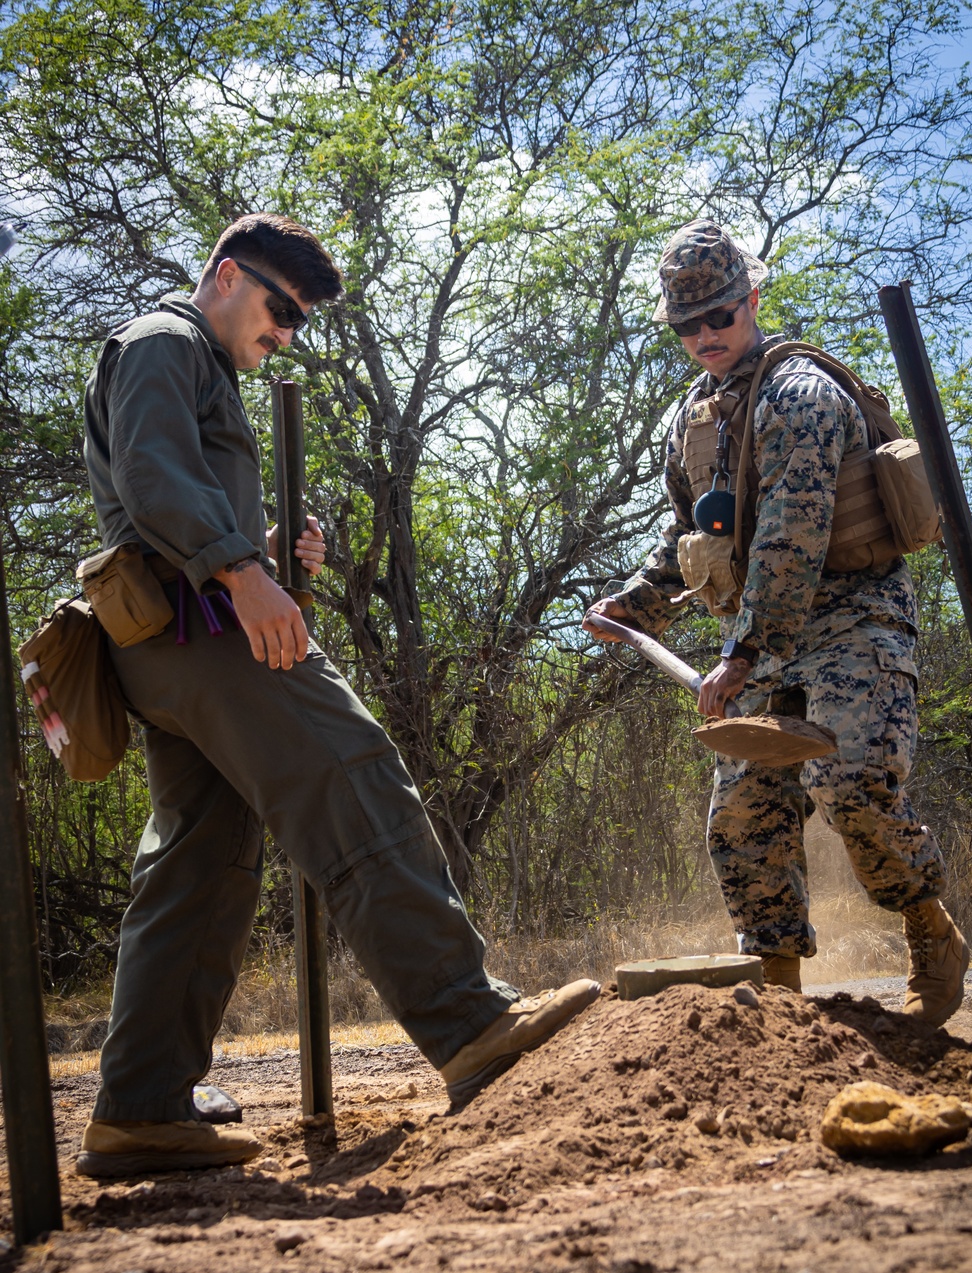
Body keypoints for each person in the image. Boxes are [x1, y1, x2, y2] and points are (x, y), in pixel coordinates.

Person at [76, 213, 598, 1178]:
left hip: (170, 641)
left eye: (299, 323)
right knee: (351, 776)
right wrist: (243, 571)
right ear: (226, 276)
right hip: (206, 633)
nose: (284, 333)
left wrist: (264, 553)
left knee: (202, 863)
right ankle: (470, 1021)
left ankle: (142, 1105)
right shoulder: (163, 340)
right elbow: (150, 481)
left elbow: (169, 497)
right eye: (279, 309)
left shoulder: (200, 363)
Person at [584, 219, 967, 1024]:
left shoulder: (801, 395)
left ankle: (932, 933)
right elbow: (693, 538)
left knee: (852, 784)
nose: (704, 335)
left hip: (852, 619)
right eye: (686, 325)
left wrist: (746, 654)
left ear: (751, 299)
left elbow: (792, 538)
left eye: (719, 316)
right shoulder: (694, 416)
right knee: (743, 813)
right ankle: (782, 1003)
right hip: (759, 640)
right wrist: (634, 604)